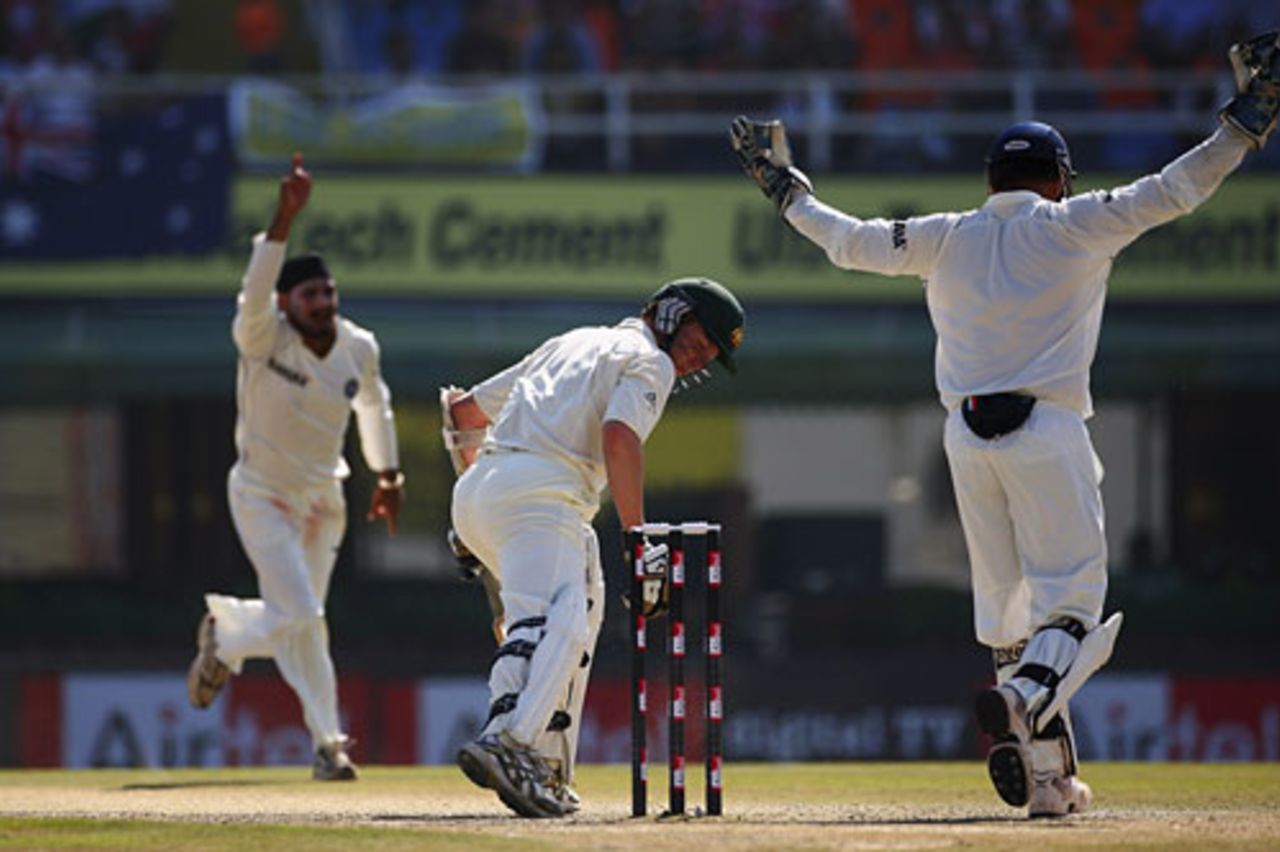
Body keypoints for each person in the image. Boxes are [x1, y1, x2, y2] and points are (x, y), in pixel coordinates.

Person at [729, 31, 1277, 819]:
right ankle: (1020, 702)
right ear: (1057, 180)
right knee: (1074, 611)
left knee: (1010, 624)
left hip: (966, 436)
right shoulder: (1074, 223)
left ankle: (1049, 782)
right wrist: (1247, 119)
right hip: (1046, 429)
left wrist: (784, 187)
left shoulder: (945, 234)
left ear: (991, 180)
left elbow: (846, 243)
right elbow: (1176, 187)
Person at [442, 277, 745, 818]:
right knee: (556, 624)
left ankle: (543, 764)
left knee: (578, 611)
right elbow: (620, 438)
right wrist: (640, 544)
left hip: (479, 492)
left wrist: (478, 526)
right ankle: (509, 741)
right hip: (543, 494)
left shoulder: (571, 341)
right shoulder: (648, 361)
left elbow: (465, 413)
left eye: (709, 357)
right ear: (671, 314)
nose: (696, 362)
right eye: (698, 344)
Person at [185, 152, 404, 781]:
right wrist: (283, 218)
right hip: (260, 493)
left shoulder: (358, 346)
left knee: (299, 621)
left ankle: (226, 637)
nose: (324, 302)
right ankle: (329, 745)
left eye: (330, 292)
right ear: (286, 302)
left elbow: (375, 407)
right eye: (310, 294)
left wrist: (388, 476)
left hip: (322, 500)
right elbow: (255, 290)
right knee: (304, 618)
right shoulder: (262, 337)